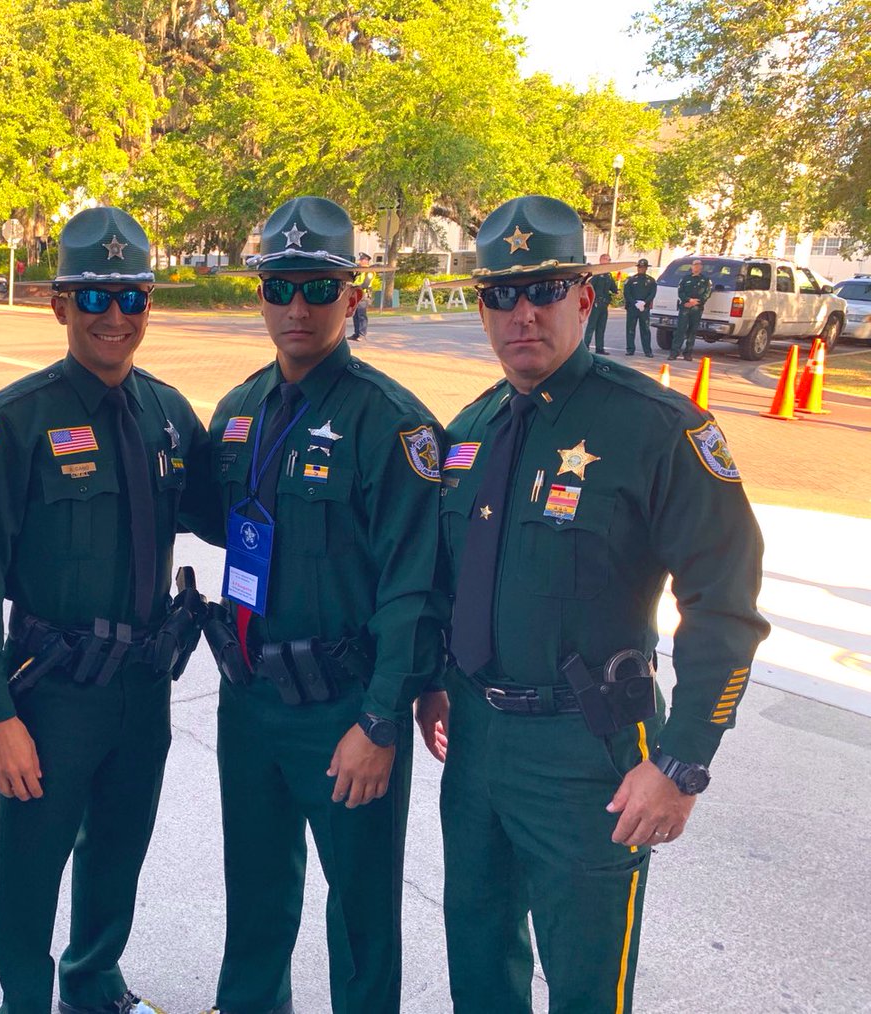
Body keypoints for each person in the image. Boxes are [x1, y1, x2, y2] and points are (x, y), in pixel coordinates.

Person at [428, 195, 768, 1013]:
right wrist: (434, 680)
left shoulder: (657, 428)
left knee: (585, 984)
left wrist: (683, 761)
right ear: (482, 307)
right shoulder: (470, 428)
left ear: (586, 295)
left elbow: (725, 604)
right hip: (475, 747)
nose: (522, 314)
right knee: (477, 961)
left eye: (543, 288)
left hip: (588, 756)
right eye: (501, 294)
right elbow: (452, 577)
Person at [0, 206, 215, 1014]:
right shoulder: (10, 422)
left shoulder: (171, 413)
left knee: (118, 851)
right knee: (32, 865)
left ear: (149, 305)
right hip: (52, 689)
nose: (113, 317)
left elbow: (240, 516)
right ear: (58, 303)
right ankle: (25, 1002)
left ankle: (94, 985)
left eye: (129, 298)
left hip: (144, 686)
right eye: (93, 299)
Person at [200, 196, 445, 1014]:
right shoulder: (238, 413)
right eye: (279, 287)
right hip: (252, 701)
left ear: (354, 290)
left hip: (347, 707)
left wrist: (381, 722)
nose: (297, 308)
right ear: (259, 293)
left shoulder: (391, 424)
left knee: (362, 914)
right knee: (257, 896)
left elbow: (413, 588)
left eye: (318, 287)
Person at [671, 258, 713, 361]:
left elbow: (707, 293)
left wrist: (696, 302)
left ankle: (688, 353)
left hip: (697, 308)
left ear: (701, 267)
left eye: (699, 264)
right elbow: (680, 292)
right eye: (695, 264)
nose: (697, 266)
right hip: (685, 307)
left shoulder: (705, 280)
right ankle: (674, 353)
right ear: (691, 266)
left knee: (692, 331)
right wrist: (689, 300)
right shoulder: (685, 279)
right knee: (680, 330)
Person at [623, 257, 658, 357]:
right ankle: (630, 349)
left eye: (643, 267)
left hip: (644, 308)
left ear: (646, 268)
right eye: (639, 267)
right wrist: (635, 303)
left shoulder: (651, 281)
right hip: (632, 307)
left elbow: (652, 293)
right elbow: (627, 293)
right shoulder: (631, 280)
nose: (641, 269)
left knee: (645, 329)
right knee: (630, 329)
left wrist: (644, 302)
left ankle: (647, 351)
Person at [582, 252, 616, 354]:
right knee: (591, 326)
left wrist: (616, 291)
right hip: (596, 303)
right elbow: (590, 287)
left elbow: (613, 288)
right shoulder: (596, 274)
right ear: (601, 260)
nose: (609, 261)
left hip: (604, 304)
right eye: (607, 259)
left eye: (609, 260)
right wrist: (592, 301)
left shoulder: (608, 275)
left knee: (601, 327)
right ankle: (585, 346)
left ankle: (599, 348)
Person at [350, 251, 374, 340]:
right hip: (356, 294)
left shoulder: (369, 272)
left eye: (361, 260)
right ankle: (356, 333)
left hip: (363, 295)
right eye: (360, 259)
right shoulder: (360, 272)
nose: (359, 261)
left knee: (361, 315)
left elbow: (365, 284)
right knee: (355, 314)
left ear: (366, 261)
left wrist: (354, 286)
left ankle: (362, 334)